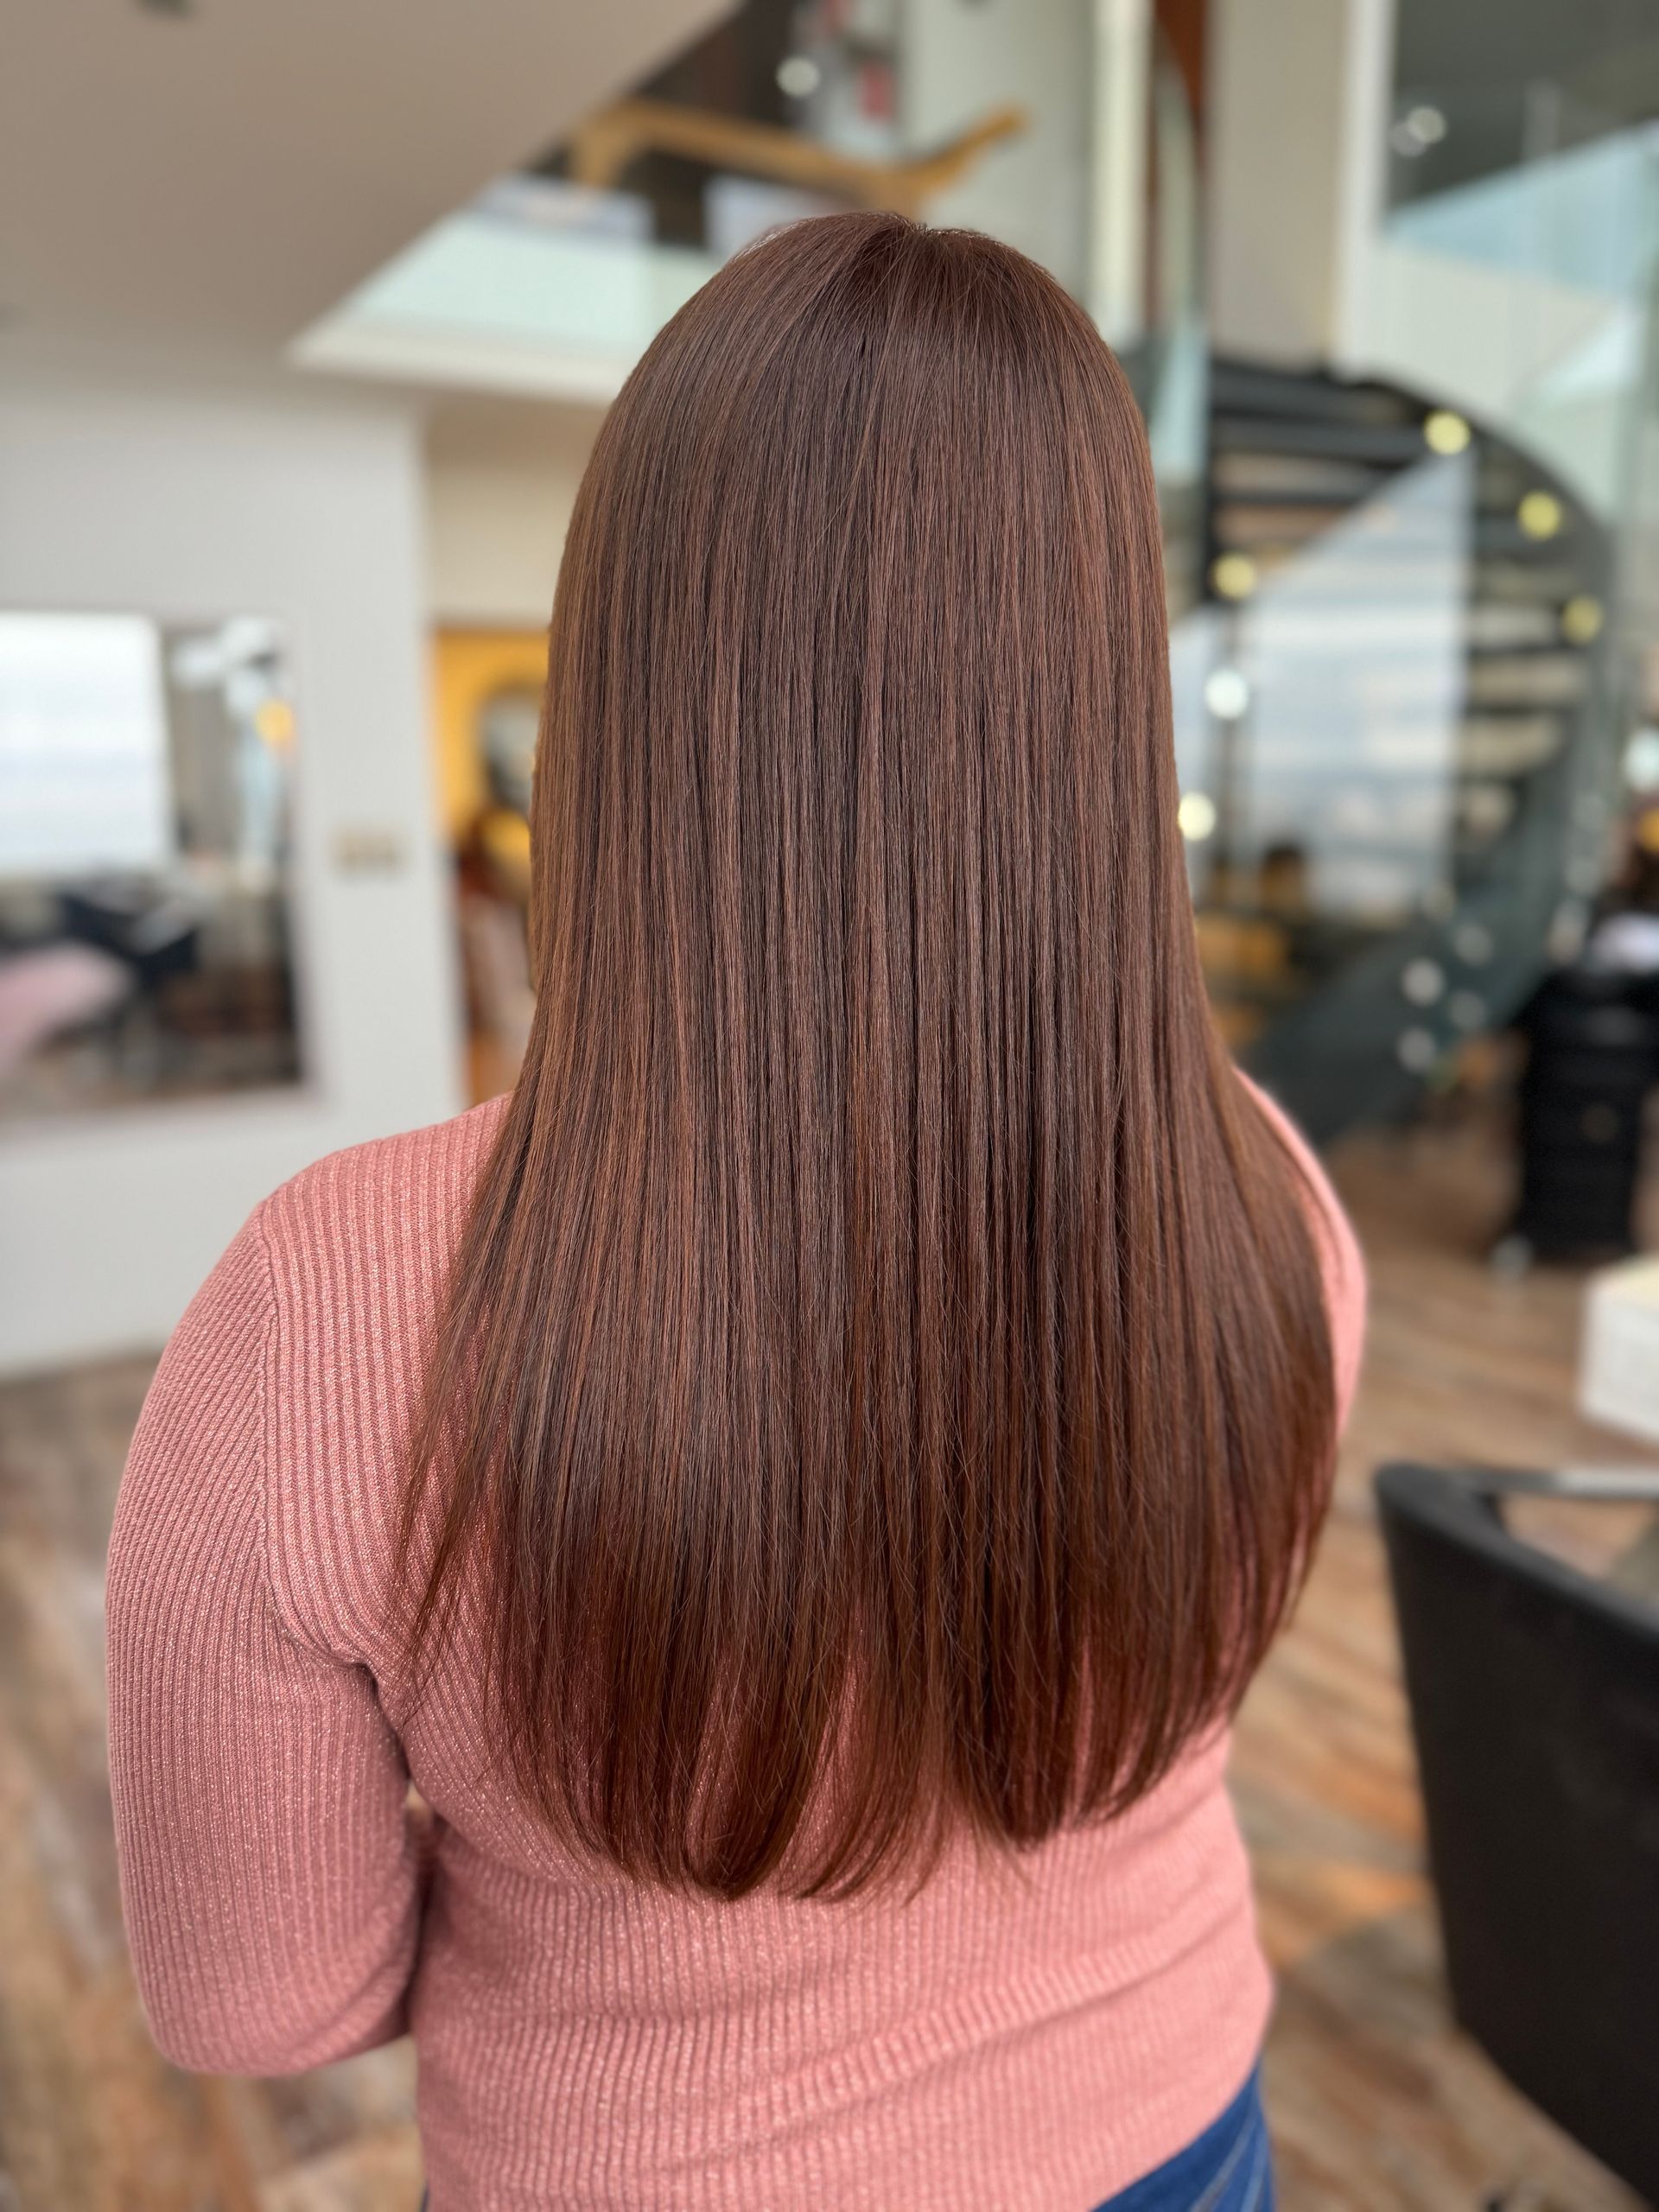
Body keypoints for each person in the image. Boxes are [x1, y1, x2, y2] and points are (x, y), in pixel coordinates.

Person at [107, 212, 1363, 2212]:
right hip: (1181, 2122)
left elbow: (268, 1995)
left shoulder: (331, 1299)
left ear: (622, 692)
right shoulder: (1272, 1193)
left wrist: (586, 1866)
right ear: (1103, 704)